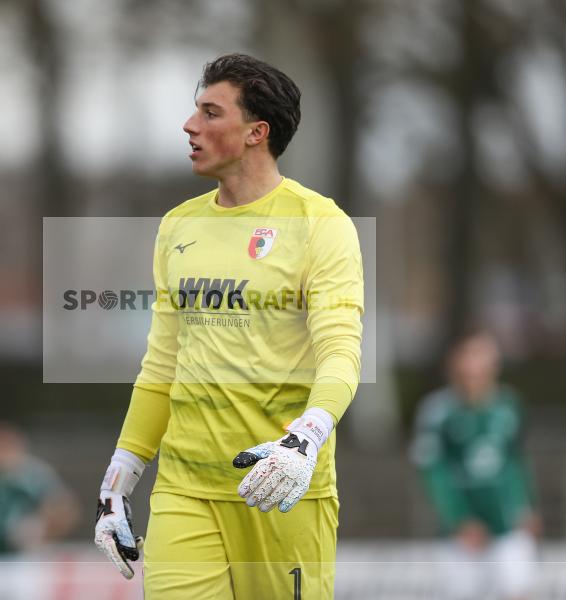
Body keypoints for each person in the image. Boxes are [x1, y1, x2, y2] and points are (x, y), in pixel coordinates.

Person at [93, 53, 364, 598]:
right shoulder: (178, 226)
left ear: (256, 132)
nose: (189, 125)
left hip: (280, 486)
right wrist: (117, 483)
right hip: (184, 490)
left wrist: (305, 441)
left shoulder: (320, 224)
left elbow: (341, 352)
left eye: (211, 113)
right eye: (196, 111)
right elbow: (162, 365)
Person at [411, 331, 540, 600]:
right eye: (468, 357)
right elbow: (434, 472)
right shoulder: (437, 411)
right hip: (460, 536)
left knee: (520, 591)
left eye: (481, 358)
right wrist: (458, 519)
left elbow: (517, 460)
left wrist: (528, 505)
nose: (474, 366)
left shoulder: (509, 405)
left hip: (507, 524)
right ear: (454, 363)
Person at [0, 422, 80, 557]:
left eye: (4, 447)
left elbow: (67, 509)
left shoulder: (37, 475)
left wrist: (44, 534)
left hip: (28, 552)